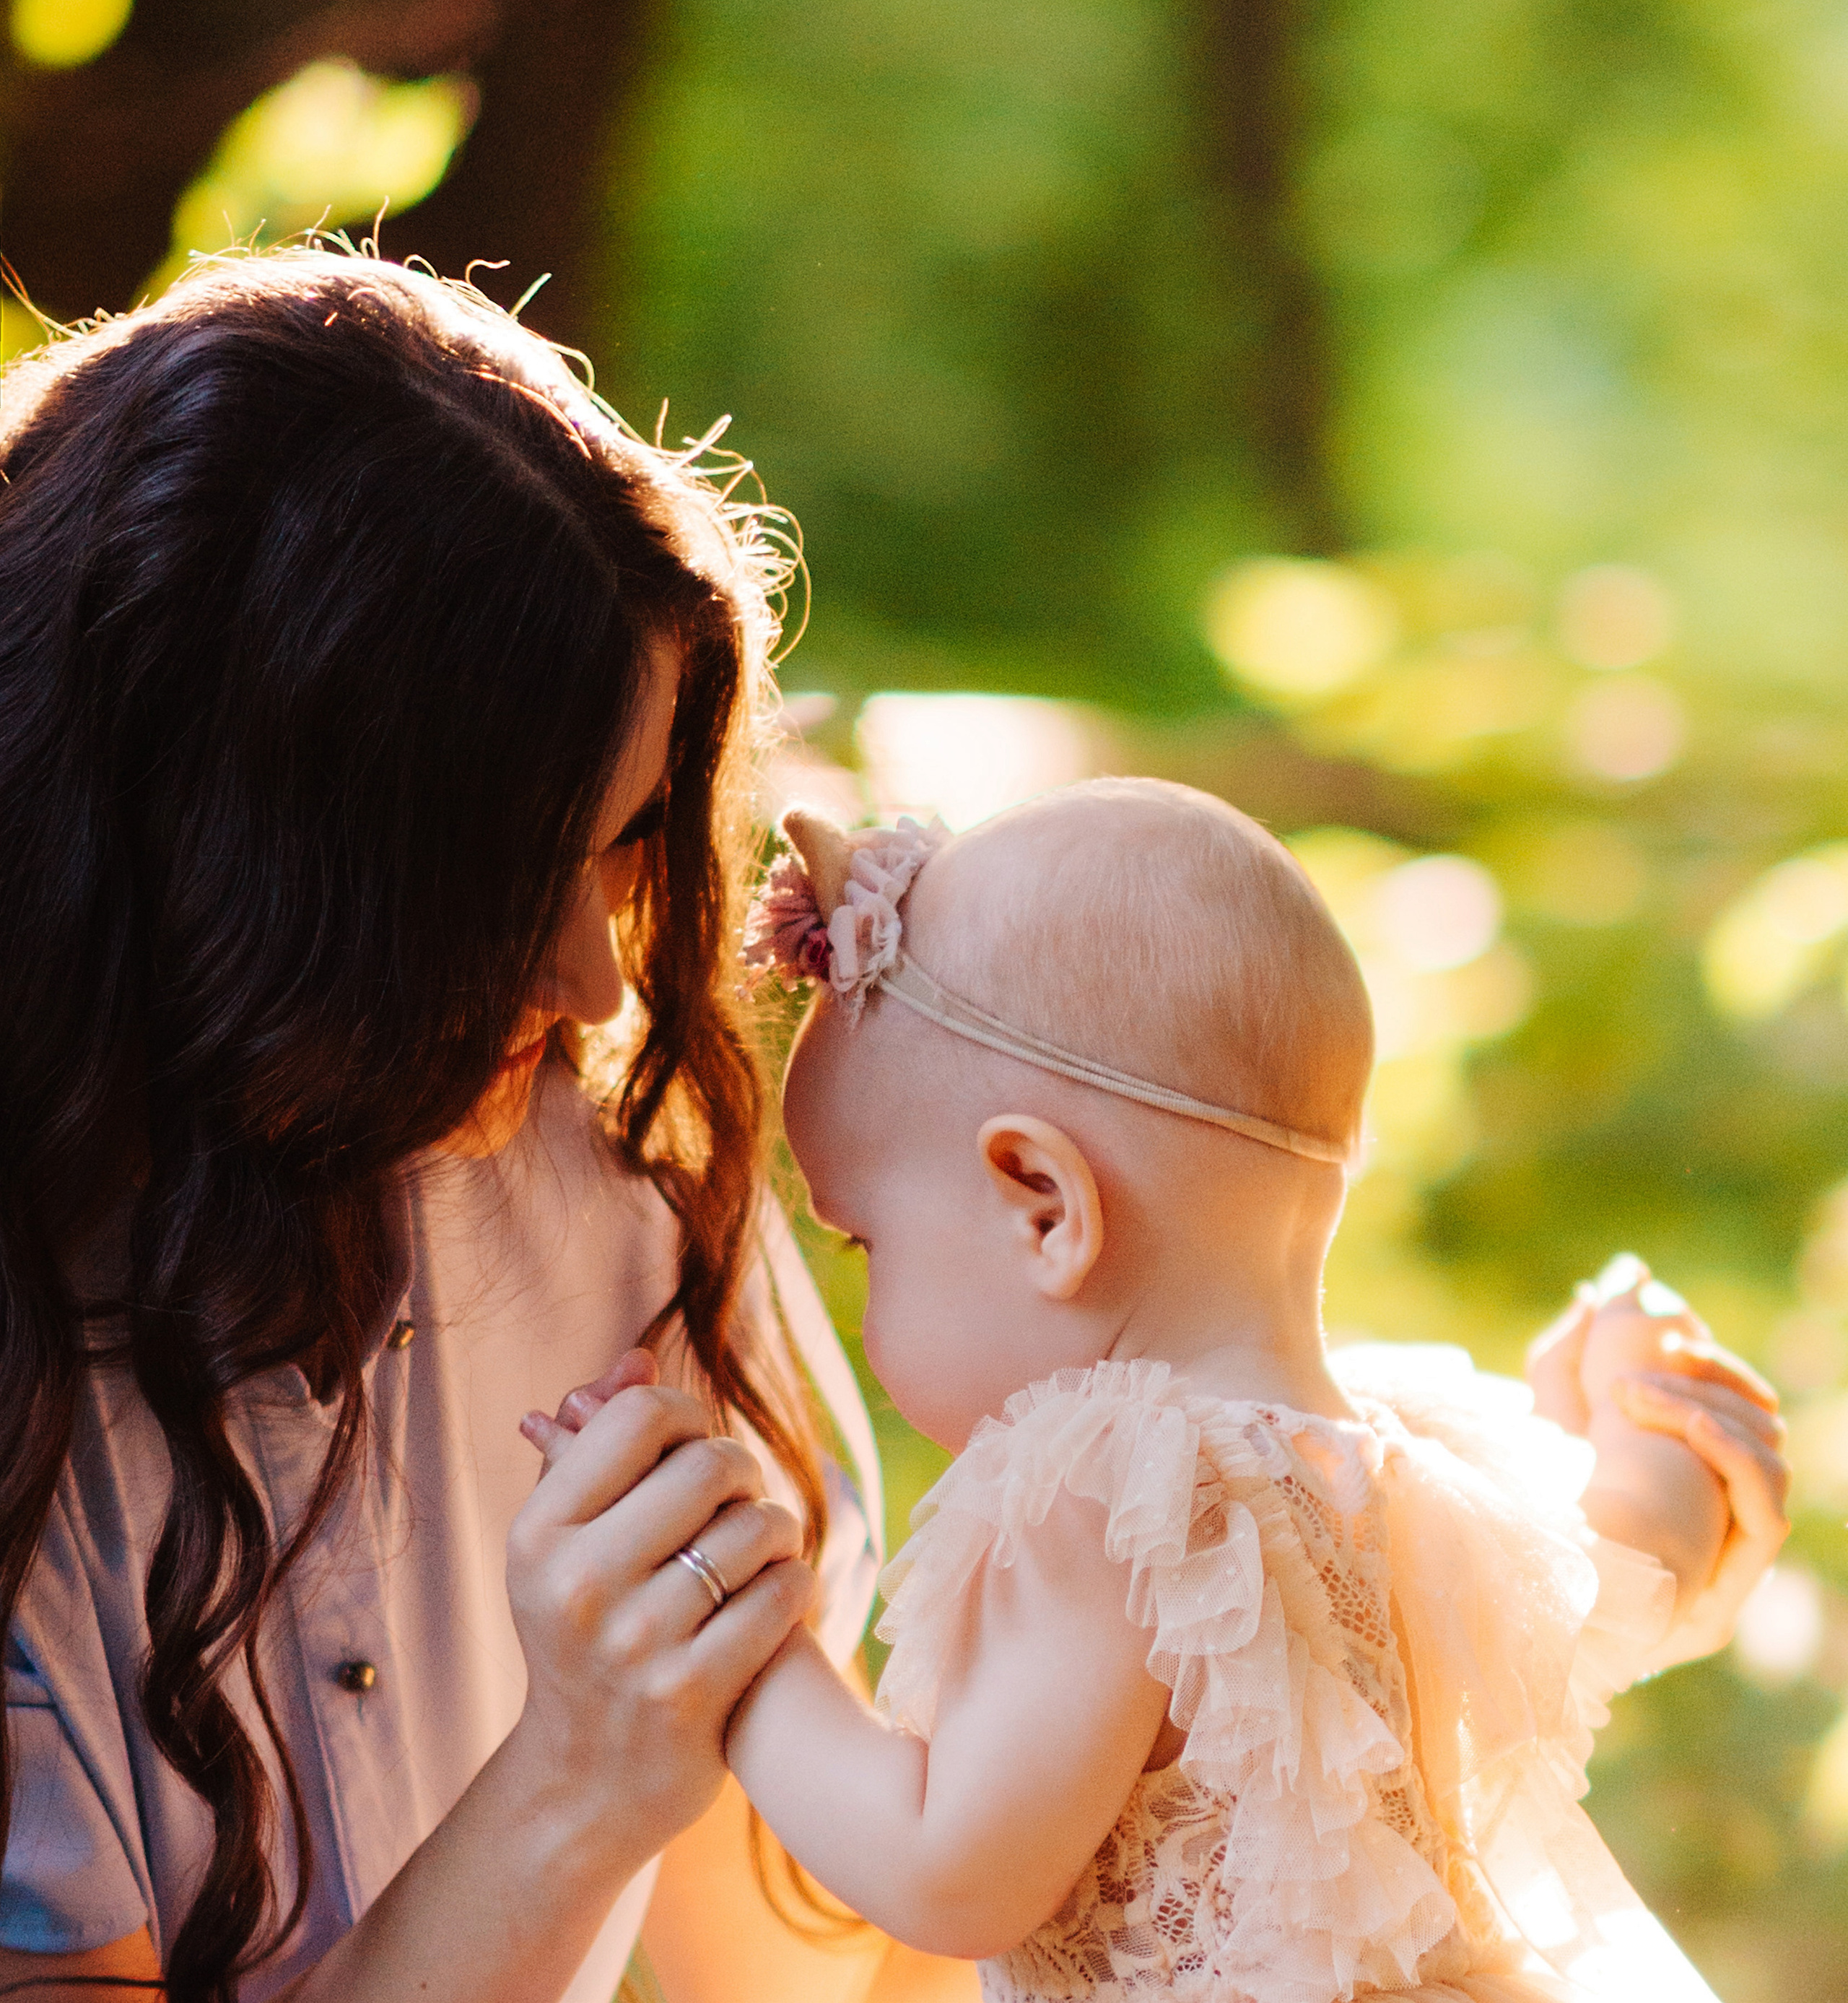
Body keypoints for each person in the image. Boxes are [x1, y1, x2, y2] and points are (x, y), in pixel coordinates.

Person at [0, 250, 972, 2003]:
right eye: (493, 889)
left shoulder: (617, 1183)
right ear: (233, 865)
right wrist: (572, 1783)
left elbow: (797, 1976)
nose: (600, 985)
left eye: (613, 856)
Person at [683, 782, 1790, 1999]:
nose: (864, 1303)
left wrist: (732, 1631)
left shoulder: (1114, 1486)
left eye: (865, 1242)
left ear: (1043, 1205)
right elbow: (1631, 1554)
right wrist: (1655, 1420)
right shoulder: (1408, 1470)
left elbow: (948, 1873)